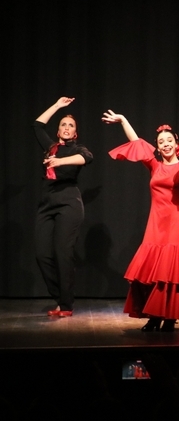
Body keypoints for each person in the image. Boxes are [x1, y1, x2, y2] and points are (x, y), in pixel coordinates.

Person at [103, 110, 179, 332]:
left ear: (176, 142)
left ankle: (169, 317)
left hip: (175, 224)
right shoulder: (155, 166)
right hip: (155, 225)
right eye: (161, 142)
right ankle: (153, 316)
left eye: (169, 140)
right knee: (149, 273)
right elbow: (137, 142)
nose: (166, 144)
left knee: (170, 273)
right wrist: (124, 120)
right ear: (157, 147)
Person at [33, 97, 93, 317]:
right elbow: (37, 125)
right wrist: (58, 106)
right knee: (42, 254)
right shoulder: (51, 147)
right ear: (58, 131)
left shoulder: (76, 149)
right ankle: (60, 298)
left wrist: (59, 162)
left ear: (75, 133)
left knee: (62, 253)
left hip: (69, 203)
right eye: (63, 125)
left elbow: (87, 158)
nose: (67, 128)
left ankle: (66, 305)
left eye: (71, 126)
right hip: (47, 204)